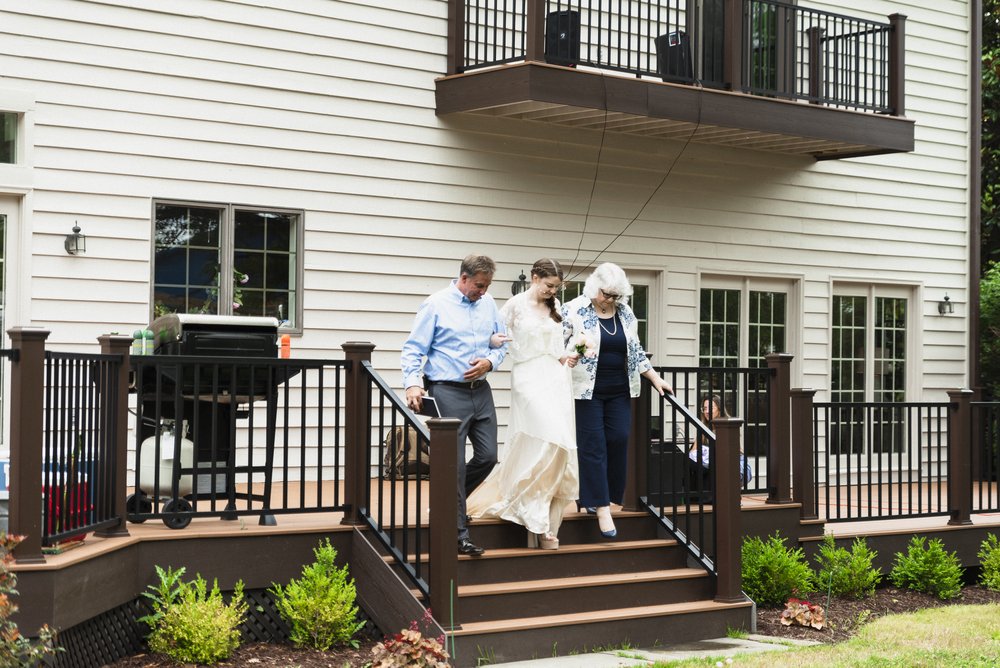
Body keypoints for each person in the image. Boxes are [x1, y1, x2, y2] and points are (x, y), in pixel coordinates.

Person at [467, 259, 580, 550]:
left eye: (556, 287)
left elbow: (556, 349)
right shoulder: (514, 305)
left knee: (558, 445)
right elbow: (490, 336)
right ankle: (531, 510)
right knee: (547, 434)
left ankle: (539, 513)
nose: (552, 291)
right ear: (534, 278)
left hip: (554, 377)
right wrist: (493, 339)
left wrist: (570, 355)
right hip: (527, 377)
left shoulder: (556, 308)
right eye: (548, 285)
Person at [401, 255, 508, 557]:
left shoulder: (488, 305)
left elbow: (502, 344)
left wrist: (490, 361)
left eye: (486, 286)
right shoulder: (435, 304)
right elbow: (413, 349)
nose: (483, 291)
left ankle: (447, 504)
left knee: (488, 456)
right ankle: (458, 533)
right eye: (478, 285)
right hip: (447, 391)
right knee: (455, 466)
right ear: (463, 278)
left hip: (481, 392)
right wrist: (412, 383)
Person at [561, 262, 673, 538]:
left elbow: (635, 351)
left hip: (620, 389)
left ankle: (603, 496)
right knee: (593, 445)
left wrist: (655, 378)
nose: (608, 299)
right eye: (605, 293)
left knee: (619, 438)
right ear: (593, 286)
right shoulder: (574, 309)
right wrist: (568, 355)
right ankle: (601, 508)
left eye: (614, 295)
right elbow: (556, 346)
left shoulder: (625, 313)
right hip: (586, 391)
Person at [688, 394, 753, 489]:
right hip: (714, 466)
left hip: (735, 464)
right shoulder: (703, 429)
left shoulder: (728, 426)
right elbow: (692, 453)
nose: (706, 411)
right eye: (704, 408)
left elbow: (731, 454)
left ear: (719, 409)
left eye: (710, 408)